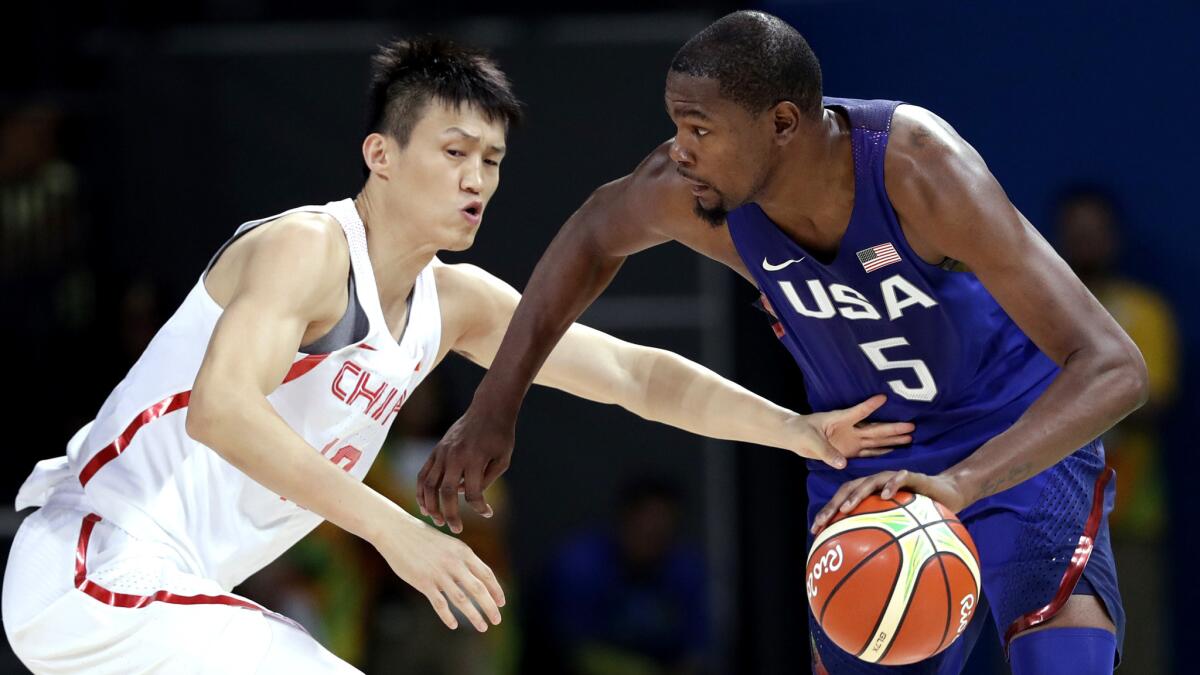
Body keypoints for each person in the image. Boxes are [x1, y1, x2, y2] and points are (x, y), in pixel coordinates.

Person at [0, 36, 909, 674]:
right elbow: (222, 409)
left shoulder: (456, 301)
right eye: (454, 151)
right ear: (380, 154)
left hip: (173, 597)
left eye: (494, 160)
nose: (477, 178)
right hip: (92, 562)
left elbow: (634, 375)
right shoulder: (305, 249)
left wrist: (797, 429)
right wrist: (396, 530)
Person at [418, 12, 1147, 674]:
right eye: (676, 125)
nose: (679, 149)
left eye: (699, 129)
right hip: (867, 458)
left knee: (1064, 657)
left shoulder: (920, 170)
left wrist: (963, 484)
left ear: (784, 123)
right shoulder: (693, 192)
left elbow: (1115, 366)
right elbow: (590, 236)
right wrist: (495, 404)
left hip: (1012, 437)